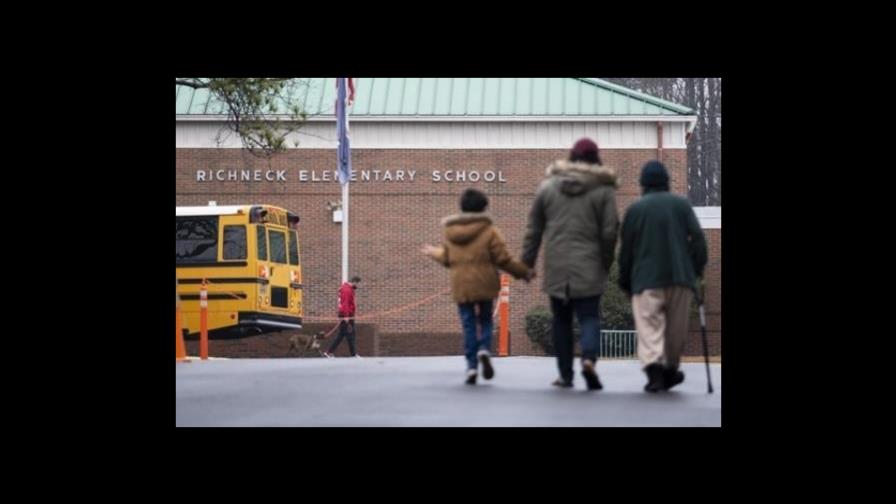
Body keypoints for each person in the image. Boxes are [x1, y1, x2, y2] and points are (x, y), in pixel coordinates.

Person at [522, 138, 619, 390]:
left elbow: (534, 228)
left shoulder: (548, 187)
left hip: (557, 266)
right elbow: (610, 232)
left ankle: (566, 375)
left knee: (561, 321)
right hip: (589, 265)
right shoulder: (603, 190)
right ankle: (588, 358)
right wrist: (606, 262)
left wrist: (527, 262)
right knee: (589, 316)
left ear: (571, 158)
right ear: (596, 159)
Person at [422, 188, 533, 385]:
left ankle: (471, 366)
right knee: (485, 320)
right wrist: (523, 272)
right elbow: (503, 259)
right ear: (483, 208)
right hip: (485, 283)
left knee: (468, 324)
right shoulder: (490, 231)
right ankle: (484, 349)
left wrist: (434, 252)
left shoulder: (450, 232)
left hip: (461, 284)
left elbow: (447, 258)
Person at [618, 160, 707, 392]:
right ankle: (670, 368)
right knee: (675, 330)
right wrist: (695, 270)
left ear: (643, 184)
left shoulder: (636, 210)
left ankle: (655, 370)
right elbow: (698, 240)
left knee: (649, 327)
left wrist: (625, 281)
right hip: (680, 278)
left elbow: (626, 250)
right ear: (666, 181)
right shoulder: (681, 206)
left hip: (646, 280)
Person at [323, 275, 362, 358]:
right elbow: (345, 304)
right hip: (346, 315)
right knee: (351, 334)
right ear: (354, 282)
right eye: (358, 284)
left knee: (342, 335)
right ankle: (353, 354)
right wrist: (346, 316)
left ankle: (329, 352)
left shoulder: (348, 289)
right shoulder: (347, 290)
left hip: (347, 315)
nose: (358, 286)